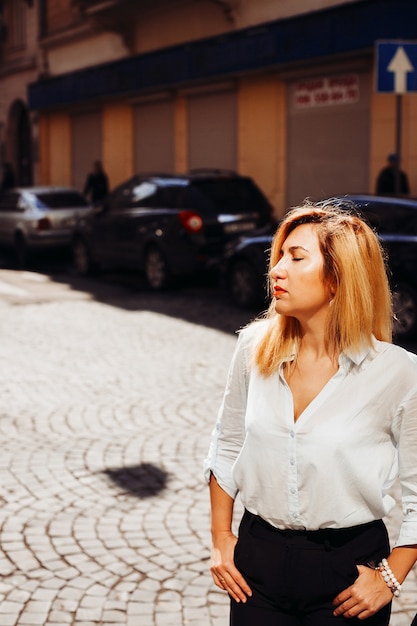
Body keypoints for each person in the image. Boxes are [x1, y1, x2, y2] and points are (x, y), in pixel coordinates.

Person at [204, 198, 417, 626]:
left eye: (296, 257)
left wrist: (391, 576)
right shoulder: (253, 347)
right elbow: (227, 445)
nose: (276, 269)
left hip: (348, 572)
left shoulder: (397, 371)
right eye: (279, 255)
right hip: (257, 565)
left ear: (339, 278)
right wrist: (221, 537)